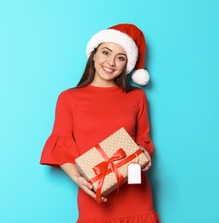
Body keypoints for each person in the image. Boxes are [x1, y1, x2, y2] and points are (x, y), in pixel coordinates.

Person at [40, 23, 159, 222]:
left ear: (126, 65)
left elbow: (143, 140)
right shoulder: (69, 98)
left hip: (136, 195)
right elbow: (61, 146)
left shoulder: (137, 97)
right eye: (106, 52)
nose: (111, 62)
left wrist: (144, 151)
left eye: (120, 58)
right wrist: (78, 178)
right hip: (94, 193)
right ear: (94, 54)